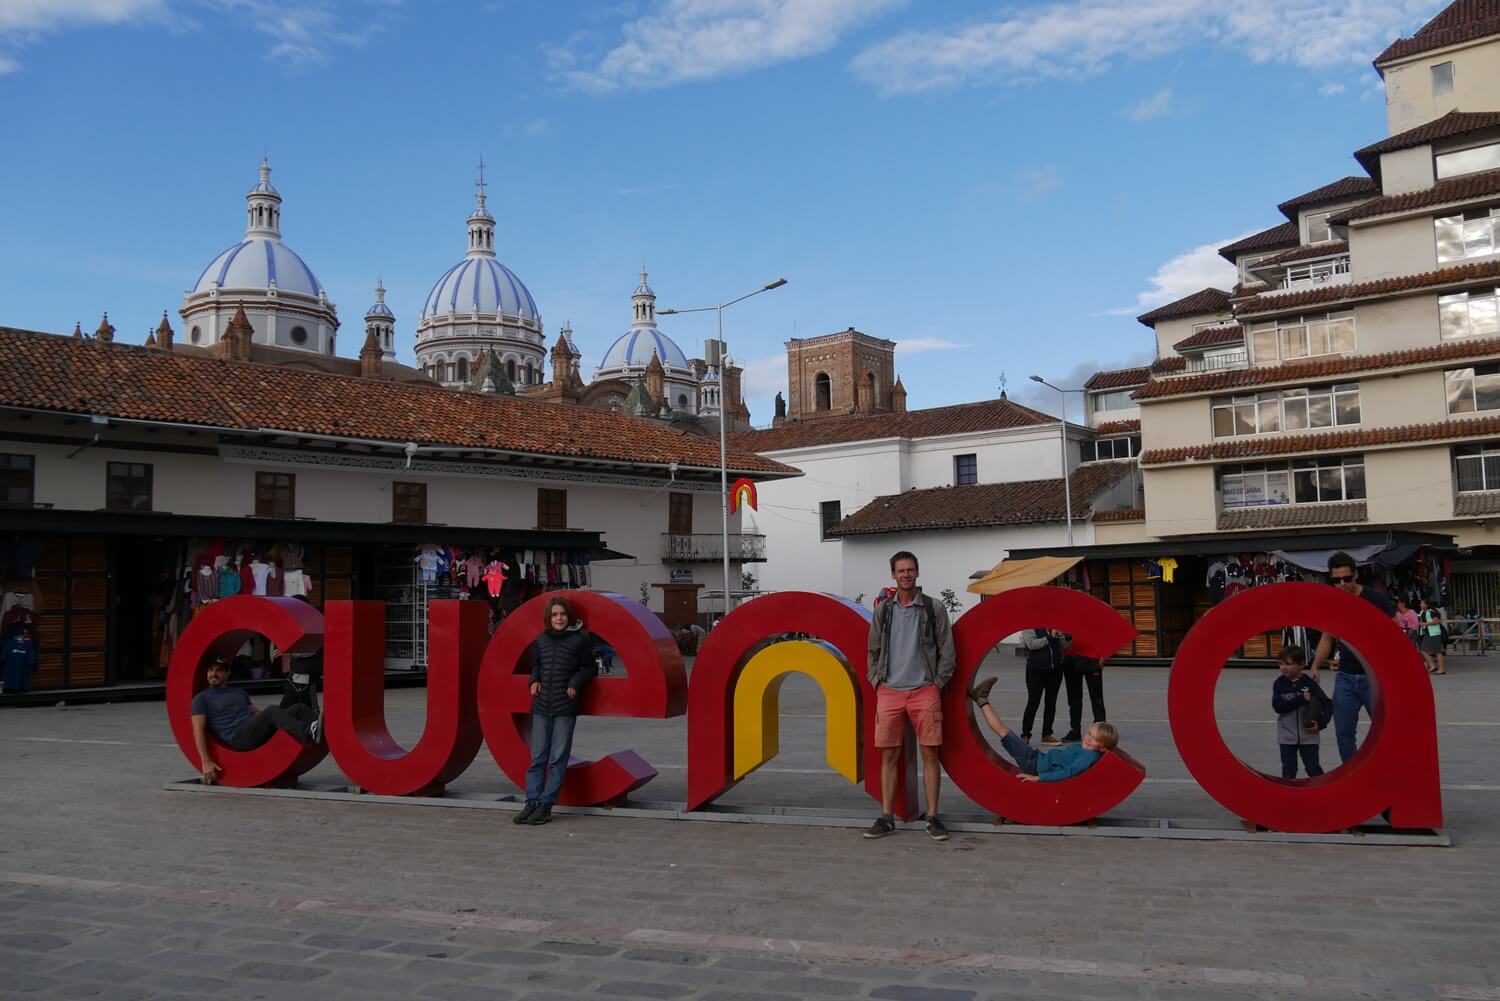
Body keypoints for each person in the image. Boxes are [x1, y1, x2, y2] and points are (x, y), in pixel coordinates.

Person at [863, 551, 956, 841]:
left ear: (917, 572)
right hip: (889, 691)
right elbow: (873, 650)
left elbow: (947, 650)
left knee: (930, 753)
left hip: (924, 691)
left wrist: (936, 683)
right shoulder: (883, 611)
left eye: (910, 569)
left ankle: (933, 817)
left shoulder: (933, 608)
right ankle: (886, 817)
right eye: (901, 570)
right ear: (893, 574)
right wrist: (877, 681)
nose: (905, 574)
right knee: (889, 756)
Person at [516, 596, 596, 826]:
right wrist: (533, 680)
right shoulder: (540, 640)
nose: (558, 618)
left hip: (565, 706)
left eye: (562, 614)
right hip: (541, 705)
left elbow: (590, 667)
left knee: (558, 758)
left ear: (568, 617)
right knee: (538, 757)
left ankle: (546, 805)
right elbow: (537, 665)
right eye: (554, 615)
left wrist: (574, 682)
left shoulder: (579, 641)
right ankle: (531, 802)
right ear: (548, 618)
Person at [1309, 552, 1395, 763]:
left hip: (1374, 676)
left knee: (1386, 730)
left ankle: (1386, 771)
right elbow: (1327, 638)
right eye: (1336, 580)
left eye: (1346, 579)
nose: (1342, 584)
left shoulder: (1376, 599)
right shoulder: (1333, 603)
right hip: (1346, 675)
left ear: (1356, 575)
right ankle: (1353, 773)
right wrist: (1315, 666)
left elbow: (1395, 635)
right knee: (1344, 733)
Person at [190, 655, 321, 785]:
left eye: (218, 670)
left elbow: (257, 713)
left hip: (252, 731)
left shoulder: (239, 692)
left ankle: (325, 730)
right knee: (272, 711)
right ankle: (308, 734)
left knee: (298, 708)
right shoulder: (201, 699)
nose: (213, 674)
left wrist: (276, 718)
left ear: (227, 673)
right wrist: (205, 761)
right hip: (237, 738)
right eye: (211, 670)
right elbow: (198, 730)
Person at [967, 677, 1118, 781]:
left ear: (1103, 748)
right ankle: (981, 699)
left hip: (1033, 764)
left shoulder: (1088, 757)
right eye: (1089, 734)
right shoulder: (1090, 752)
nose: (1089, 739)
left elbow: (1068, 772)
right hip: (1037, 759)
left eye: (1095, 739)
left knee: (1003, 732)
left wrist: (1039, 778)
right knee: (1004, 732)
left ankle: (981, 699)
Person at [1271, 645, 1331, 779]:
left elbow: (1327, 705)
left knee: (1313, 768)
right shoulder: (1279, 684)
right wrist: (1300, 699)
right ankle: (1288, 797)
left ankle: (1322, 793)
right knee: (1289, 770)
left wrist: (1320, 724)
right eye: (1280, 664)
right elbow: (1277, 707)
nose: (1283, 667)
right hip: (1286, 736)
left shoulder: (1310, 684)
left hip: (1309, 737)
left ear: (1301, 665)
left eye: (1288, 664)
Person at [1020, 627, 1065, 746]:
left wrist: (1067, 637)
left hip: (1055, 669)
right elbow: (1031, 644)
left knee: (1051, 702)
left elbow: (1063, 645)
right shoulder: (1030, 625)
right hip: (1036, 670)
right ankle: (1025, 734)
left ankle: (1047, 734)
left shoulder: (1054, 625)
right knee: (1033, 702)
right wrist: (1050, 637)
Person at [1060, 646, 1106, 744]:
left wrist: (1103, 657)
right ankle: (1075, 730)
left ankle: (1101, 731)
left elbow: (1107, 636)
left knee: (1096, 698)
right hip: (1070, 658)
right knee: (1073, 698)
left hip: (1092, 658)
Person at [1417, 596, 1446, 676]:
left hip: (1434, 633)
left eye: (1422, 603)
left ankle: (1441, 669)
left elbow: (1436, 621)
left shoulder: (1431, 612)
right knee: (1423, 650)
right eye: (1421, 603)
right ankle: (1433, 666)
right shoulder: (1422, 612)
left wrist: (1425, 624)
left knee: (1437, 651)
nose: (1421, 605)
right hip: (1427, 633)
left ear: (1427, 605)